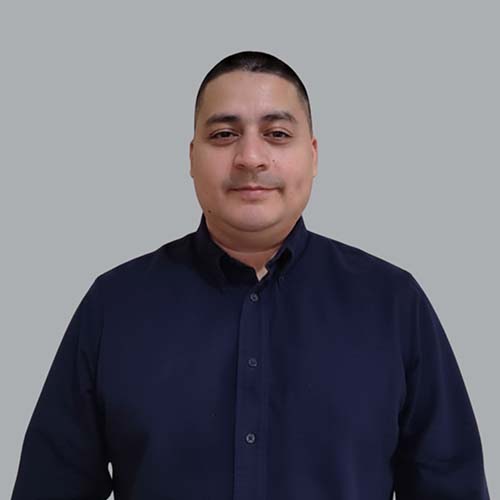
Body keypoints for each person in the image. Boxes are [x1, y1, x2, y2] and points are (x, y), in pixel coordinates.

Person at [11, 50, 490, 500]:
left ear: (313, 154)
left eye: (277, 134)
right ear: (192, 156)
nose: (251, 157)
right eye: (224, 135)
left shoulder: (393, 304)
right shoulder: (114, 306)